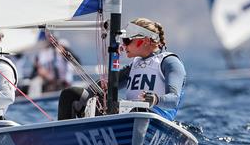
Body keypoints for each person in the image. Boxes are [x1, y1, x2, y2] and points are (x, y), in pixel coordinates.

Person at [58, 18, 186, 121]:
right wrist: (115, 58)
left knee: (138, 112)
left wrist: (155, 99)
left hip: (153, 119)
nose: (123, 45)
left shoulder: (170, 62)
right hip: (130, 116)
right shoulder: (135, 65)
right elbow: (107, 86)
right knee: (70, 94)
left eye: (127, 40)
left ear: (145, 41)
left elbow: (174, 99)